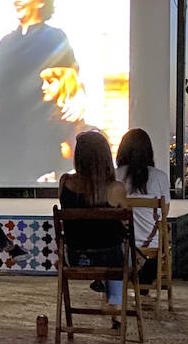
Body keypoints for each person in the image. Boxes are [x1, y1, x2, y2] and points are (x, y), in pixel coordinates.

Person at [0, 0, 87, 184]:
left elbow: (73, 77)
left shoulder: (55, 37)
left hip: (42, 133)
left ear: (41, 1)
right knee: (7, 184)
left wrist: (79, 100)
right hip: (6, 134)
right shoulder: (5, 43)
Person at [58, 131, 131, 313]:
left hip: (75, 258)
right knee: (122, 247)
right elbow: (127, 224)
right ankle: (115, 305)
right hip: (110, 258)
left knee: (114, 246)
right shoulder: (115, 189)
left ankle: (109, 294)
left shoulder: (64, 182)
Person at [115, 127, 172, 287]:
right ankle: (145, 269)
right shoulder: (160, 177)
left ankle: (131, 273)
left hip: (122, 244)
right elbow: (164, 213)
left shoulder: (115, 177)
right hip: (151, 244)